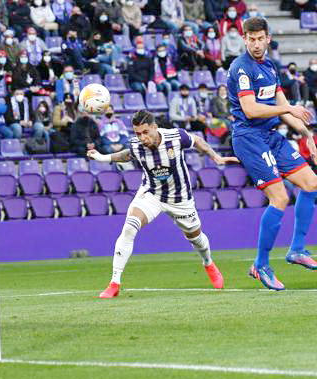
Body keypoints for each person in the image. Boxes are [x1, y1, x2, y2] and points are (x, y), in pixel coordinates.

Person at [88, 110, 232, 298]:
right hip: (152, 194)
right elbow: (127, 154)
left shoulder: (175, 137)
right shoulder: (136, 145)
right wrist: (103, 157)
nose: (142, 138)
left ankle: (208, 263)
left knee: (196, 238)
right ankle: (114, 283)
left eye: (146, 132)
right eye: (138, 134)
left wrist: (215, 156)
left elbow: (196, 140)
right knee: (129, 228)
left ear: (155, 127)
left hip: (180, 198)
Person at [227, 17, 317, 290]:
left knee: (311, 183)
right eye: (250, 39)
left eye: (260, 39)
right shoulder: (241, 68)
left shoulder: (270, 66)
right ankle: (261, 265)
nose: (255, 44)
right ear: (245, 39)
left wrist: (307, 135)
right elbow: (252, 110)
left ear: (268, 39)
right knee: (279, 197)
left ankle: (297, 249)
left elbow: (282, 103)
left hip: (270, 136)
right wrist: (288, 110)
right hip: (249, 138)